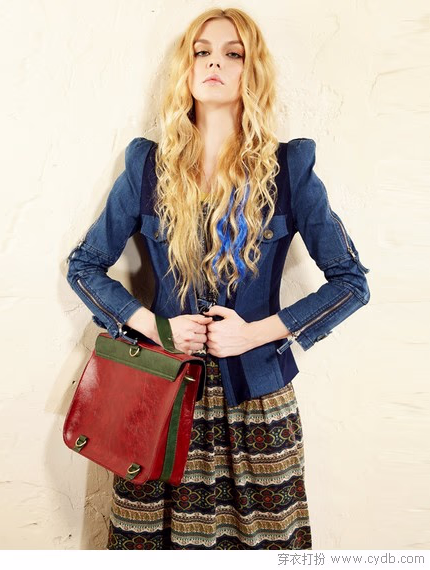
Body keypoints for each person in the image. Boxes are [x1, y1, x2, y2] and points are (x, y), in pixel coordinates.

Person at [65, 7, 370, 550]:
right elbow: (84, 266)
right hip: (159, 400)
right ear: (185, 68)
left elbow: (351, 283)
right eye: (202, 52)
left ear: (252, 71)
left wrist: (254, 333)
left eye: (233, 54)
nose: (214, 64)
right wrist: (155, 326)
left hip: (257, 403)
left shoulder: (290, 169)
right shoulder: (147, 167)